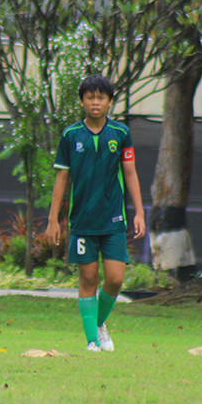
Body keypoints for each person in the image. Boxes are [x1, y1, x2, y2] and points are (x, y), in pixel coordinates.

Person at [45, 75, 146, 353]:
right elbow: (62, 179)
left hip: (113, 220)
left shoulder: (121, 133)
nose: (95, 102)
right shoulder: (70, 135)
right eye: (90, 97)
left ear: (110, 101)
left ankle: (99, 324)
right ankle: (92, 340)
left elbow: (130, 172)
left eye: (101, 97)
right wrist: (54, 219)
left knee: (115, 279)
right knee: (88, 279)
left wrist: (139, 212)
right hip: (82, 221)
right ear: (82, 101)